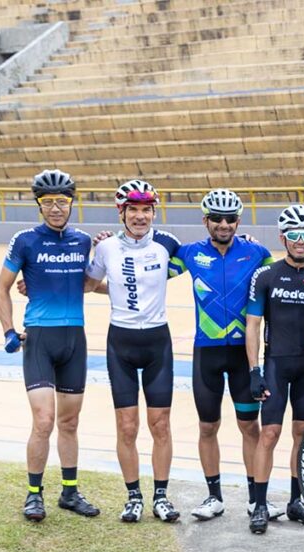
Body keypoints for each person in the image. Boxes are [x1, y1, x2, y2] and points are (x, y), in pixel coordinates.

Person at [167, 190, 280, 522]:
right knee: (207, 427)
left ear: (238, 221)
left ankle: (254, 498)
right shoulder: (189, 254)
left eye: (230, 219)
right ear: (205, 221)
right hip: (207, 354)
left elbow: (283, 279)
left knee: (250, 427)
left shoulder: (257, 253)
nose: (223, 224)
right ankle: (214, 496)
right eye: (216, 218)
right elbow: (150, 271)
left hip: (244, 356)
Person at [0, 169, 100, 521]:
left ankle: (69, 492)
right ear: (39, 205)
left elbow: (86, 283)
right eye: (48, 202)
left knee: (70, 422)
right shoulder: (24, 240)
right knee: (44, 421)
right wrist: (9, 331)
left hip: (75, 339)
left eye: (62, 201)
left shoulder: (84, 241)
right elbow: (2, 288)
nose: (56, 208)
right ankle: (34, 493)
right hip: (39, 337)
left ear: (72, 203)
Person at [84, 179, 181, 522]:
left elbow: (207, 258)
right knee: (127, 426)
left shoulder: (168, 243)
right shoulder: (107, 248)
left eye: (146, 209)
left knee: (161, 425)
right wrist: (34, 283)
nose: (141, 216)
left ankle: (161, 496)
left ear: (154, 212)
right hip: (121, 343)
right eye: (134, 210)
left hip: (158, 342)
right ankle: (133, 496)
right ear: (121, 213)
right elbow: (87, 284)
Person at [245, 205, 304, 533]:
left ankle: (297, 501)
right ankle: (259, 504)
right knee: (269, 433)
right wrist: (254, 370)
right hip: (275, 364)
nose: (300, 241)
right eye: (293, 235)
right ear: (283, 237)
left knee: (303, 433)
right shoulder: (266, 276)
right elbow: (252, 326)